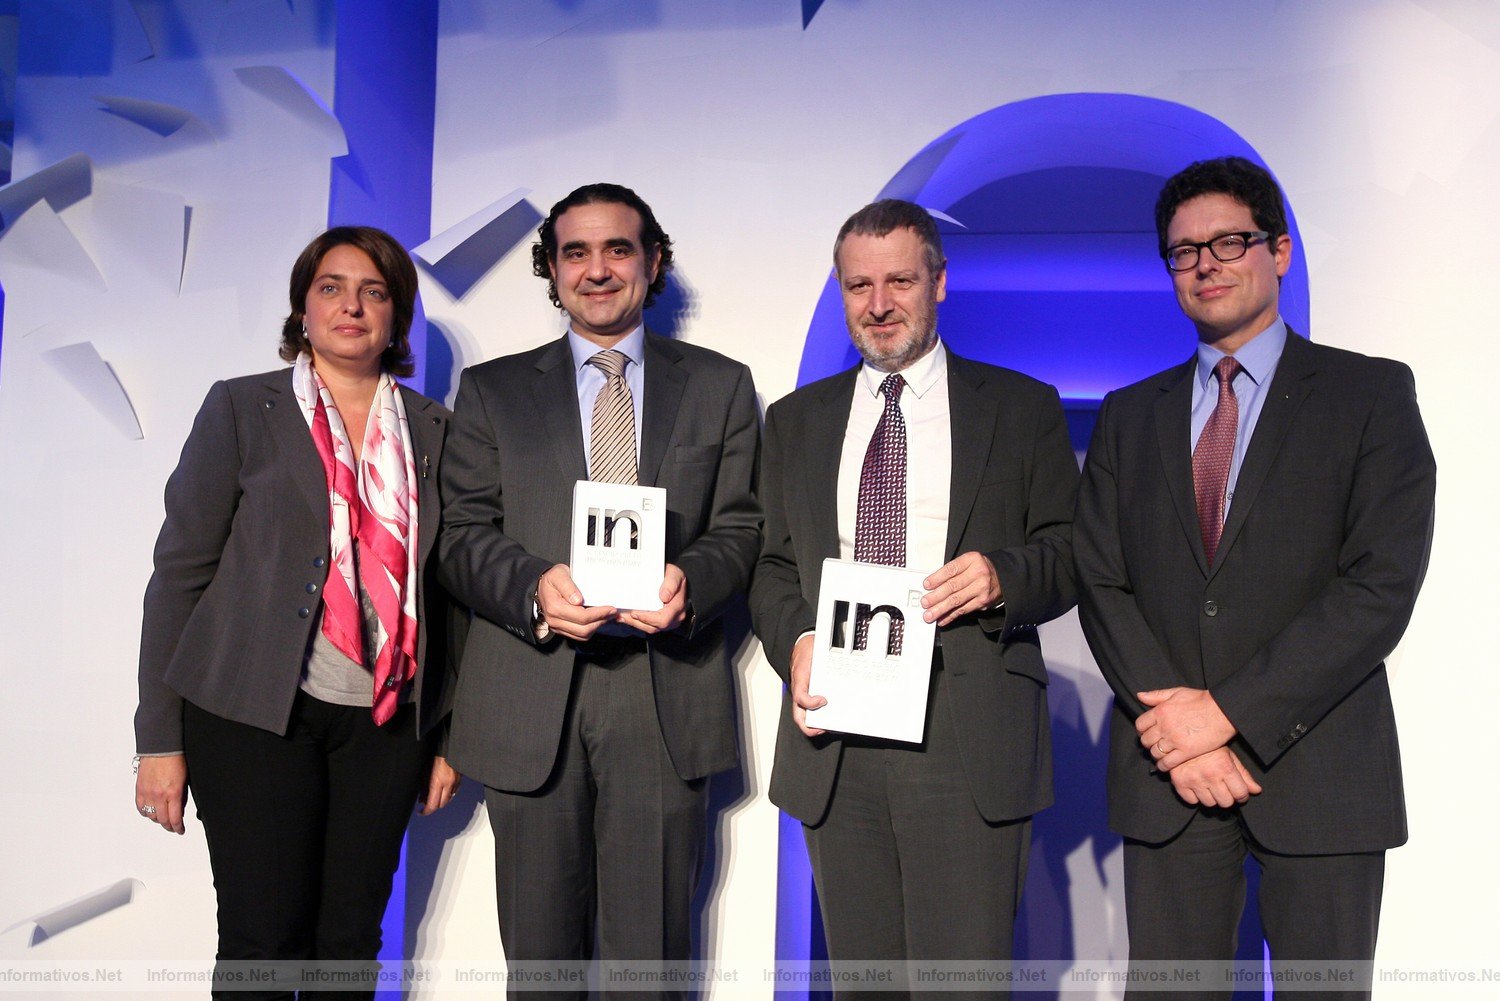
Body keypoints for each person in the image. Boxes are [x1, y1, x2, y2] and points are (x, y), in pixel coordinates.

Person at [1074, 157, 1436, 999]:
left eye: (1228, 242)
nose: (1205, 263)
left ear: (1278, 250)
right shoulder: (1129, 415)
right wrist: (1179, 727)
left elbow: (1378, 586)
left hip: (1321, 773)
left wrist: (1227, 717)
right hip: (1171, 781)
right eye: (1182, 251)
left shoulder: (1370, 394)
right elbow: (1101, 578)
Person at [749, 198, 1078, 995]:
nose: (879, 304)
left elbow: (1074, 553)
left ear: (939, 281)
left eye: (900, 280)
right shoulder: (795, 421)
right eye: (859, 286)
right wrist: (797, 641)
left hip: (966, 734)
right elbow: (771, 566)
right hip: (839, 735)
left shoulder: (1021, 406)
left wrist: (1004, 576)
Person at [436, 183, 761, 989]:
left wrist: (693, 578)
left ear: (653, 263)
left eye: (618, 248)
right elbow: (460, 533)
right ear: (551, 268)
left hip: (663, 696)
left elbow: (745, 528)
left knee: (647, 966)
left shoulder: (720, 386)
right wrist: (531, 589)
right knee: (541, 967)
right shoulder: (492, 391)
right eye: (575, 251)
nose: (598, 268)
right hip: (530, 692)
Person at [133, 225, 465, 1000]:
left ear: (397, 315)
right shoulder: (243, 407)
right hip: (249, 714)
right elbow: (180, 573)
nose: (352, 305)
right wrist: (158, 737)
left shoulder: (438, 433)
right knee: (262, 938)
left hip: (386, 722)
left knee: (348, 944)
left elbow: (452, 593)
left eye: (374, 291)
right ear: (303, 309)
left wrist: (450, 732)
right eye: (331, 287)